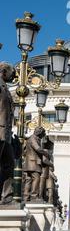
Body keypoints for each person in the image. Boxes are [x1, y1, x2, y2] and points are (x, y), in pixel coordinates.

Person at [0, 62, 16, 205]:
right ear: (4, 71)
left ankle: (6, 197)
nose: (14, 77)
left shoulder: (6, 88)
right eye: (12, 74)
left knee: (9, 163)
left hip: (6, 133)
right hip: (0, 130)